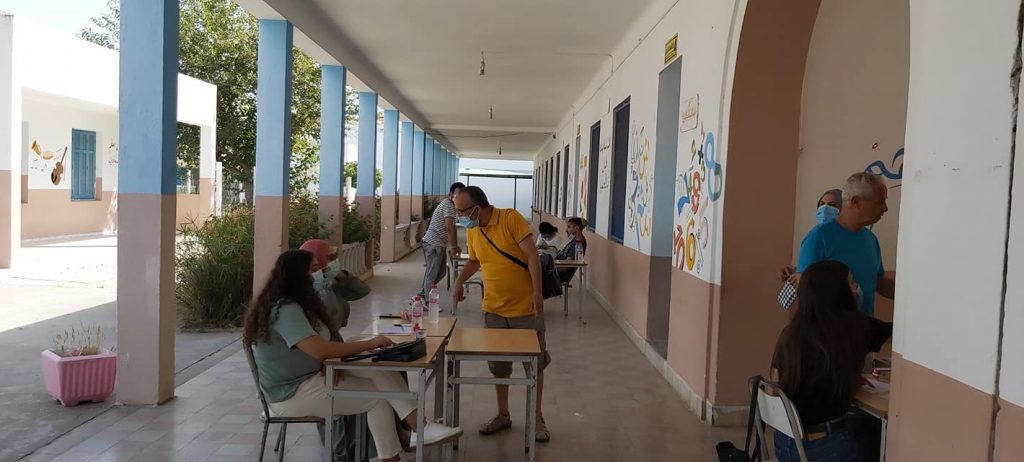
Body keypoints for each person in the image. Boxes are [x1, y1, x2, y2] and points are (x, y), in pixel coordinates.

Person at [244, 250, 462, 462]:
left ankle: (416, 430)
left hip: (313, 375)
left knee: (376, 368)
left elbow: (325, 344)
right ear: (297, 275)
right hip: (290, 394)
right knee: (379, 394)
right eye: (313, 269)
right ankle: (415, 431)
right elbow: (319, 349)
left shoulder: (301, 304)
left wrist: (334, 356)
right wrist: (368, 343)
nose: (319, 274)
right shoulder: (285, 310)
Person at [451, 186, 551, 442]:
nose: (458, 216)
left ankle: (536, 418)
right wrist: (459, 281)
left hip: (525, 308)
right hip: (493, 309)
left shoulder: (510, 218)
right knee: (499, 367)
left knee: (534, 365)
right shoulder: (474, 230)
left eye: (461, 211)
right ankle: (503, 415)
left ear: (476, 208)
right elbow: (475, 260)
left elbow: (532, 256)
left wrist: (537, 293)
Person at [770, 260, 892, 462]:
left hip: (785, 444)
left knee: (864, 423)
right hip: (826, 449)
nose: (857, 288)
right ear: (837, 290)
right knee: (883, 429)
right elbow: (899, 334)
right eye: (852, 283)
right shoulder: (856, 326)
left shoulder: (790, 333)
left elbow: (774, 386)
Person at [782, 173, 897, 317]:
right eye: (881, 201)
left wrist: (913, 294)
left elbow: (877, 282)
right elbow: (806, 290)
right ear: (857, 202)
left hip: (863, 328)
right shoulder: (819, 238)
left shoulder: (871, 240)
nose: (885, 208)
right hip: (828, 329)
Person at [777, 189, 843, 289]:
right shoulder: (816, 235)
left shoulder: (844, 236)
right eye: (821, 204)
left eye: (832, 205)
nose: (825, 208)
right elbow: (811, 269)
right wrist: (795, 271)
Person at [300, 239, 370, 328]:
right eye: (331, 258)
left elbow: (362, 291)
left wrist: (343, 276)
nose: (335, 261)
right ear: (319, 260)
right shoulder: (303, 292)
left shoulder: (330, 282)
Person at [420, 182, 465, 298]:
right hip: (433, 244)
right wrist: (453, 247)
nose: (459, 198)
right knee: (432, 274)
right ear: (450, 195)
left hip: (439, 244)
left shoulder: (453, 207)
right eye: (457, 195)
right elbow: (449, 227)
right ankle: (427, 301)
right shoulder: (448, 205)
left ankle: (423, 295)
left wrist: (455, 246)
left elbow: (453, 227)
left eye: (462, 195)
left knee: (441, 272)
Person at [555, 217, 588, 282]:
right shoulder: (574, 238)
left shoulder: (578, 244)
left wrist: (549, 267)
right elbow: (567, 220)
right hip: (556, 266)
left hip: (558, 273)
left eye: (569, 227)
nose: (566, 230)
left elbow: (565, 267)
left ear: (577, 228)